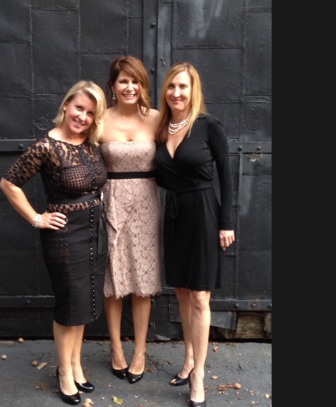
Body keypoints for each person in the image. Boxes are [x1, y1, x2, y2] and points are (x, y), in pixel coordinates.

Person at [0, 80, 108, 406]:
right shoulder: (45, 147)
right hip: (64, 236)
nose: (83, 117)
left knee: (84, 302)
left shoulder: (90, 143)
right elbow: (8, 183)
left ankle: (75, 365)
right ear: (66, 105)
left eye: (90, 113)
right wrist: (36, 218)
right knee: (69, 304)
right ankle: (64, 372)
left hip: (94, 231)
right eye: (79, 108)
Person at [153, 62, 235, 407]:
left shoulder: (208, 126)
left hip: (203, 213)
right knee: (182, 292)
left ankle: (198, 374)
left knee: (200, 296)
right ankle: (188, 358)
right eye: (172, 86)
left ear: (193, 90)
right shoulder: (160, 128)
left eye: (183, 86)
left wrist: (226, 222)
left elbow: (227, 177)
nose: (177, 93)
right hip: (174, 215)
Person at [99, 55, 162, 385]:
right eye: (123, 80)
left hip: (146, 203)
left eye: (135, 81)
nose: (129, 87)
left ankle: (139, 351)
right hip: (111, 202)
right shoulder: (100, 119)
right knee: (114, 281)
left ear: (143, 85)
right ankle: (116, 348)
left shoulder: (156, 118)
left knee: (142, 281)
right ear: (112, 85)